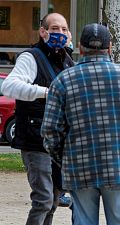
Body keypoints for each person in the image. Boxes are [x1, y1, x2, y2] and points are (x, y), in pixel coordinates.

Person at [41, 23, 120, 225]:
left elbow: (50, 132)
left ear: (80, 47)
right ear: (110, 47)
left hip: (80, 166)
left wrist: (65, 159)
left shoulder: (63, 80)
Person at [1, 13, 74, 225]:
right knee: (43, 199)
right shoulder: (31, 56)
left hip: (59, 141)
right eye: (54, 29)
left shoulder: (68, 61)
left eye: (63, 29)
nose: (59, 33)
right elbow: (9, 86)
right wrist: (46, 92)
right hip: (36, 139)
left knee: (52, 200)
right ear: (43, 32)